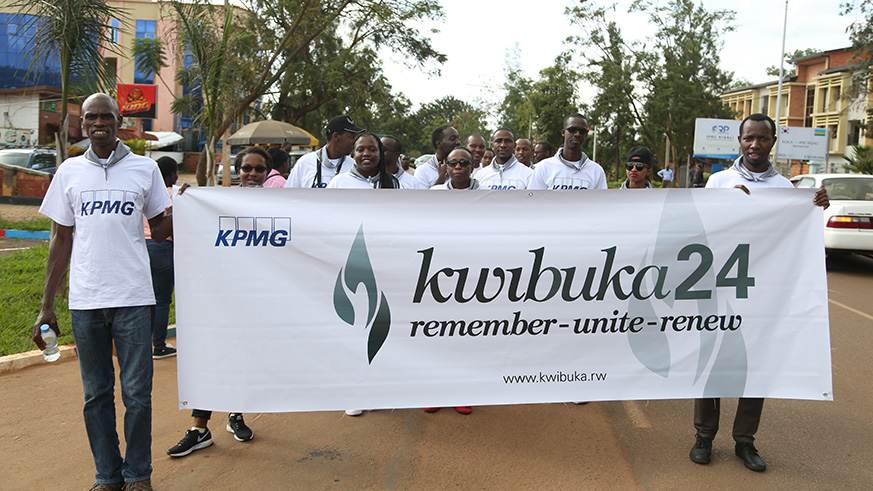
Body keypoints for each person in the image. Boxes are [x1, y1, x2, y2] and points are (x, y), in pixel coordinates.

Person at [33, 93, 173, 491]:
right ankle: (107, 476)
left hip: (133, 298)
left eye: (106, 116)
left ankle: (138, 475)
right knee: (96, 395)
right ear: (81, 124)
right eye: (91, 117)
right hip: (86, 301)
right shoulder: (69, 172)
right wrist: (47, 306)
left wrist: (184, 209)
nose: (99, 123)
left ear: (118, 122)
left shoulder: (145, 170)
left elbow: (160, 229)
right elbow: (61, 241)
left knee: (137, 396)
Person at [689, 113, 829, 473]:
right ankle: (704, 436)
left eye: (762, 139)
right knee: (713, 362)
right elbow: (699, 229)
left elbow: (794, 235)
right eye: (749, 138)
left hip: (764, 293)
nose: (755, 145)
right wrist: (723, 206)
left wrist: (815, 209)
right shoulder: (719, 181)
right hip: (720, 286)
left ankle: (745, 441)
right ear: (739, 140)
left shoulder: (786, 187)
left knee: (758, 364)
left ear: (772, 142)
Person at [166, 147, 270, 459]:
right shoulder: (217, 202)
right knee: (211, 359)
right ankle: (199, 429)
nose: (252, 174)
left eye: (259, 169)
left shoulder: (281, 205)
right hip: (219, 296)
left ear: (268, 173)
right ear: (237, 170)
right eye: (246, 168)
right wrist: (185, 201)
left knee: (244, 357)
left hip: (259, 297)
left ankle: (236, 415)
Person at [146, 156, 179, 359]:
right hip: (163, 248)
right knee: (162, 300)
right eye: (175, 173)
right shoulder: (171, 195)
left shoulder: (146, 192)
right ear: (170, 175)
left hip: (141, 248)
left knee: (146, 300)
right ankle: (158, 345)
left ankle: (143, 343)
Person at [528, 114, 607, 190]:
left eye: (582, 131)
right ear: (563, 132)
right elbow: (533, 201)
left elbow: (602, 202)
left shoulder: (596, 171)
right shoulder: (544, 167)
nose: (577, 134)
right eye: (572, 130)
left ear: (586, 135)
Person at [284, 115, 364, 188]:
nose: (354, 142)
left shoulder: (354, 167)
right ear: (336, 136)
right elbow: (289, 196)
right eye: (351, 137)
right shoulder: (304, 163)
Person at [414, 125, 461, 189]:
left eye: (458, 138)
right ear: (439, 143)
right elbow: (422, 198)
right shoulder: (423, 171)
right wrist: (441, 179)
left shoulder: (464, 166)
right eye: (452, 139)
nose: (458, 142)